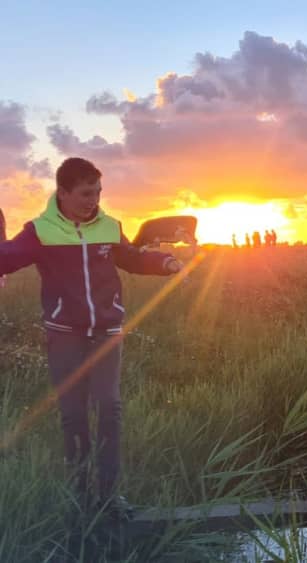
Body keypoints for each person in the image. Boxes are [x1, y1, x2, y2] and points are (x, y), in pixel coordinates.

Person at [0, 157, 184, 517]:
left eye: (98, 192)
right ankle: (81, 498)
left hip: (106, 332)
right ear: (63, 193)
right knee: (73, 416)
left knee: (109, 408)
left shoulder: (109, 227)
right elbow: (7, 257)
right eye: (86, 193)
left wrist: (165, 263)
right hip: (64, 335)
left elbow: (131, 258)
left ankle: (109, 498)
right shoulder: (40, 231)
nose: (94, 200)